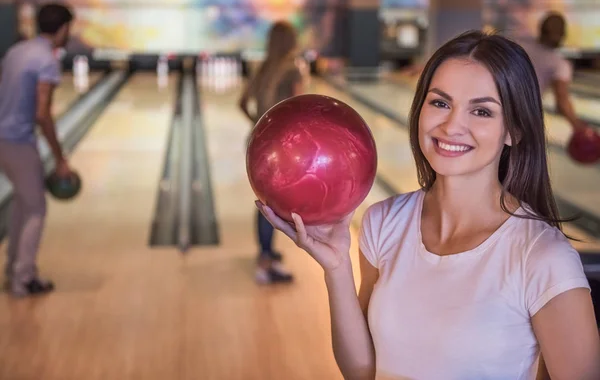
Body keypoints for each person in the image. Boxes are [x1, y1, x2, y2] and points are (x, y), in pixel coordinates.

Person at [257, 31, 600, 379]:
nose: (452, 125)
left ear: (513, 130)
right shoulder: (384, 223)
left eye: (481, 111)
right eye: (440, 103)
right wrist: (336, 267)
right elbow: (362, 372)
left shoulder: (543, 257)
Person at [0, 3, 75, 297]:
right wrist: (60, 158)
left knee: (23, 203)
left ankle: (12, 269)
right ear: (64, 28)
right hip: (17, 141)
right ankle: (25, 277)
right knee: (36, 208)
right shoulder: (46, 60)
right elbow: (43, 113)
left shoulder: (17, 51)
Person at [239, 21, 305, 285]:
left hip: (258, 143)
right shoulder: (294, 69)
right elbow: (299, 109)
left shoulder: (263, 67)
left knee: (265, 200)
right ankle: (266, 263)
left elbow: (241, 102)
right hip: (282, 147)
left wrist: (257, 124)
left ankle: (265, 253)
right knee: (273, 205)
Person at [519, 11, 588, 133]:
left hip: (499, 104)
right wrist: (579, 126)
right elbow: (562, 102)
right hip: (523, 115)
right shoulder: (560, 64)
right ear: (563, 34)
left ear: (541, 29)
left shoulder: (519, 44)